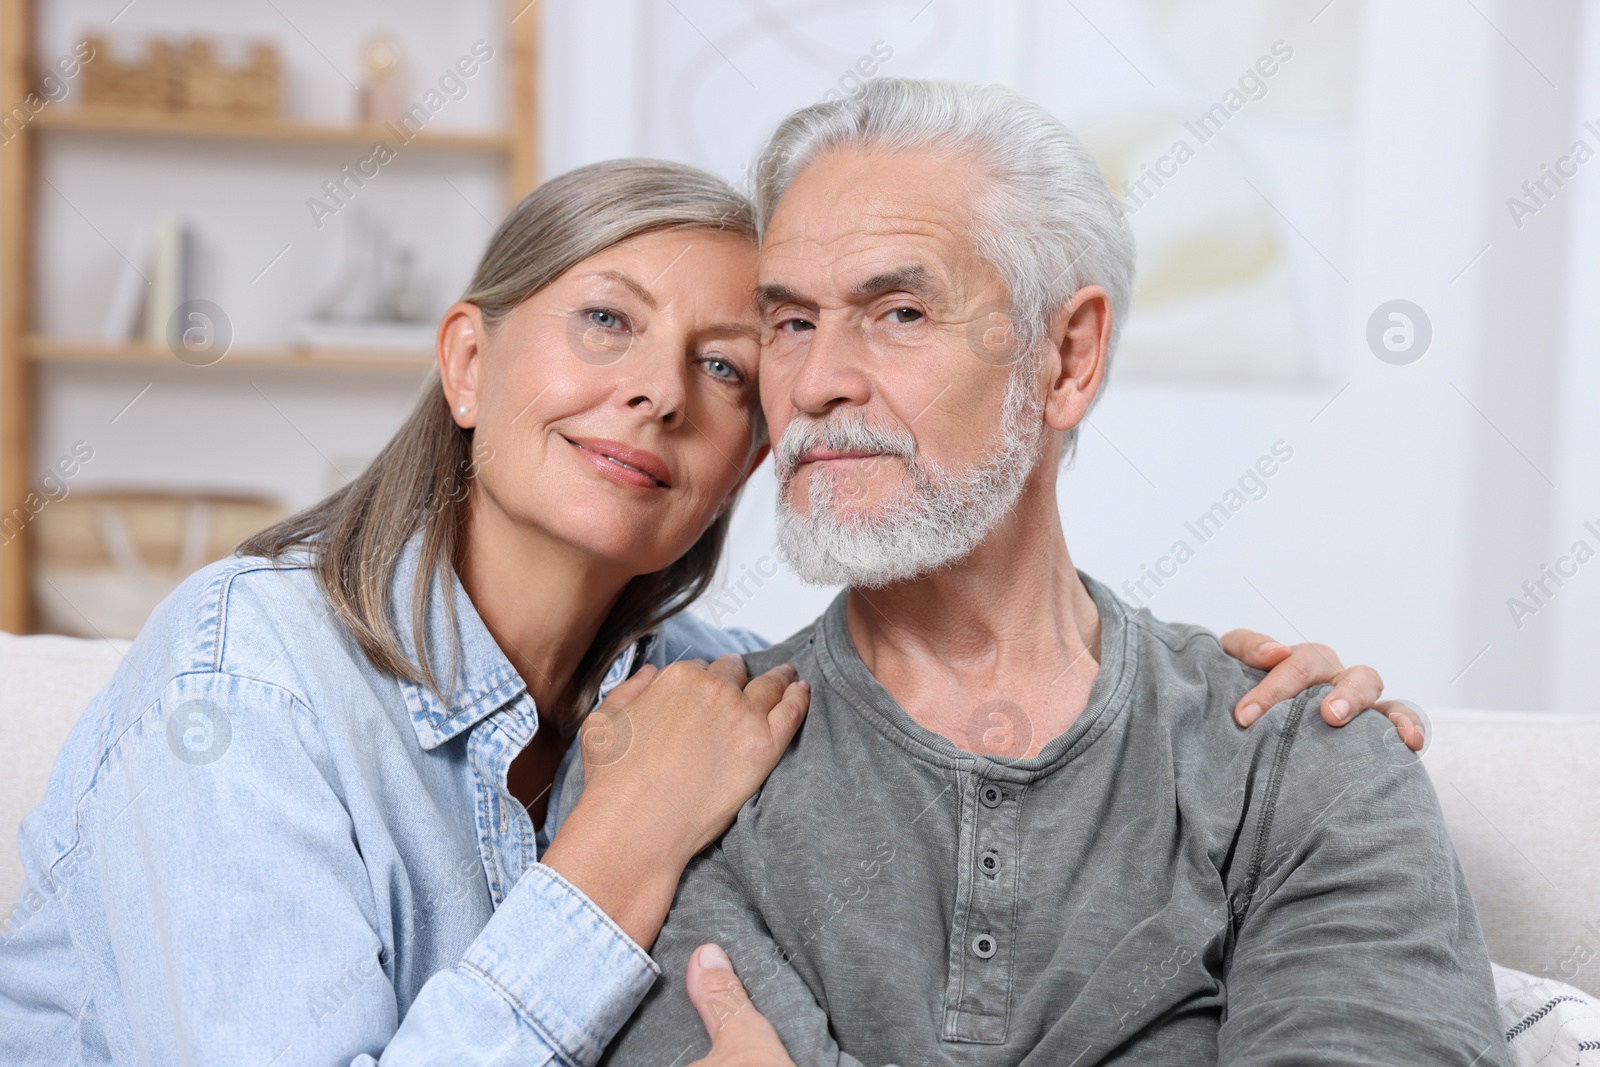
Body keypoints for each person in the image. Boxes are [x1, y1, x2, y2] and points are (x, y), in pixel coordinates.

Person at [0, 158, 1396, 1065]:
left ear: (756, 448)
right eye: (605, 320)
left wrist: (1247, 713)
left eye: (729, 368)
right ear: (469, 361)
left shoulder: (720, 699)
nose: (659, 391)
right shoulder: (245, 676)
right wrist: (614, 840)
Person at [598, 81, 1506, 1066]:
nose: (816, 384)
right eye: (789, 324)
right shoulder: (677, 770)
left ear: (1066, 357)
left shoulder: (1302, 762)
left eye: (898, 311)